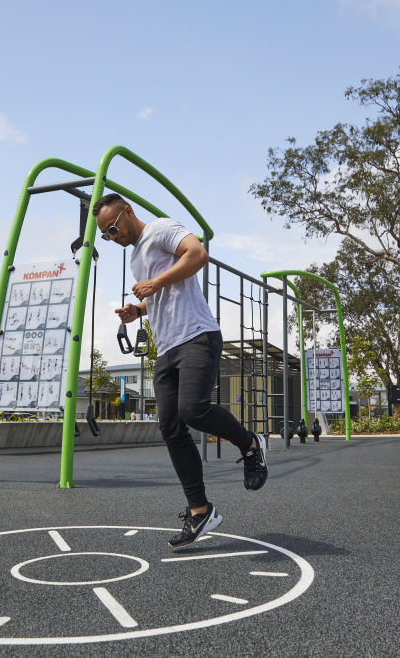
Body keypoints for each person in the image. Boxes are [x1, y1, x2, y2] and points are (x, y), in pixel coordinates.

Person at [93, 192, 268, 548]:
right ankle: (200, 511)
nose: (113, 237)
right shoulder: (136, 258)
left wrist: (155, 283)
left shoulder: (160, 229)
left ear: (128, 211)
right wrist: (139, 310)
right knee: (171, 428)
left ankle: (251, 444)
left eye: (113, 228)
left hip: (197, 336)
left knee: (193, 410)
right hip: (167, 347)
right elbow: (160, 293)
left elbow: (198, 254)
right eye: (106, 235)